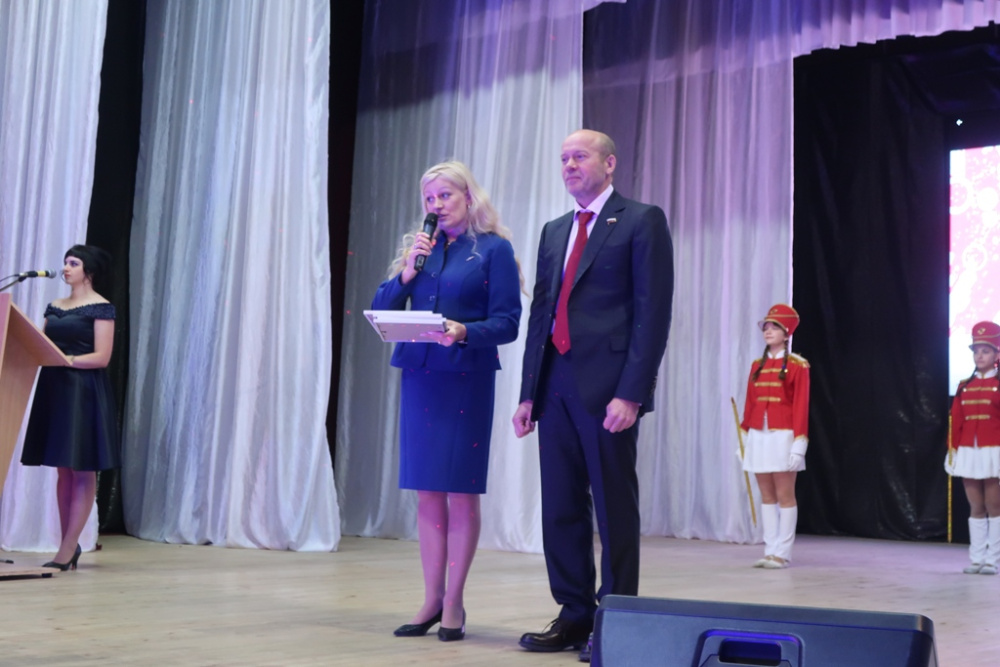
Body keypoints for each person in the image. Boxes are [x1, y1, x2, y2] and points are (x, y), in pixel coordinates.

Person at [512, 129, 673, 659]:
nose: (569, 165)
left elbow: (652, 314)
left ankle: (616, 617)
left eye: (579, 156)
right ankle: (574, 613)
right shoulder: (554, 230)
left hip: (608, 390)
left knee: (613, 505)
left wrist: (633, 393)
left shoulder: (641, 220)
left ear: (609, 163)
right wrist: (528, 393)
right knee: (560, 506)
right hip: (555, 385)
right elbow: (541, 314)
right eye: (563, 158)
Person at [372, 161, 522, 641]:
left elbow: (508, 322)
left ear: (468, 197)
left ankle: (454, 601)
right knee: (427, 492)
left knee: (459, 491)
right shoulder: (421, 250)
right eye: (430, 199)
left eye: (445, 196)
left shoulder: (494, 250)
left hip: (464, 379)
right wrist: (407, 273)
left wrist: (463, 331)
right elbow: (383, 308)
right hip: (421, 377)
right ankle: (430, 598)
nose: (436, 206)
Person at [21, 244, 119, 571]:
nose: (65, 268)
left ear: (88, 270)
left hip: (84, 391)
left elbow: (102, 357)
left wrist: (68, 360)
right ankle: (68, 542)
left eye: (73, 263)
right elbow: (42, 342)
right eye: (65, 262)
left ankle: (66, 549)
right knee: (63, 468)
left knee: (82, 467)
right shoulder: (55, 306)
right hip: (55, 388)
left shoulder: (102, 308)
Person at [738, 304, 810, 569]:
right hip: (758, 435)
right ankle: (770, 550)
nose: (768, 331)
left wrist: (799, 444)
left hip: (783, 436)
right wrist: (744, 439)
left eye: (774, 327)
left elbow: (801, 406)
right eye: (766, 327)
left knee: (785, 495)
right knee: (766, 495)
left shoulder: (798, 366)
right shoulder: (756, 365)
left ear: (786, 332)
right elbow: (749, 404)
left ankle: (783, 553)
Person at [945, 321, 1000, 575]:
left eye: (985, 351)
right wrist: (953, 451)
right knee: (975, 506)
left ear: (996, 354)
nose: (979, 356)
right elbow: (957, 420)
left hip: (994, 449)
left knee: (994, 505)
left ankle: (993, 560)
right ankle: (977, 559)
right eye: (976, 351)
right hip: (969, 449)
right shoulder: (964, 386)